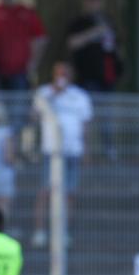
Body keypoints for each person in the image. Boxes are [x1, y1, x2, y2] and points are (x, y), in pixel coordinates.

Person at [31, 62, 92, 248]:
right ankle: (40, 231)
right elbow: (34, 116)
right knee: (45, 191)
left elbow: (86, 124)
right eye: (59, 73)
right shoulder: (44, 93)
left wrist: (86, 148)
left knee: (69, 193)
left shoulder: (80, 96)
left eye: (65, 73)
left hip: (73, 151)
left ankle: (64, 232)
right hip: (52, 151)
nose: (62, 76)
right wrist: (54, 94)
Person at [66, 0, 121, 159]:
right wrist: (94, 33)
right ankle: (85, 152)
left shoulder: (107, 20)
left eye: (97, 0)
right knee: (84, 117)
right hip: (86, 77)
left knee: (106, 116)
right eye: (91, 0)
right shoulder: (79, 22)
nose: (94, 4)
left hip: (106, 77)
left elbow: (115, 46)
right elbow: (72, 43)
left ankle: (108, 151)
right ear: (85, 2)